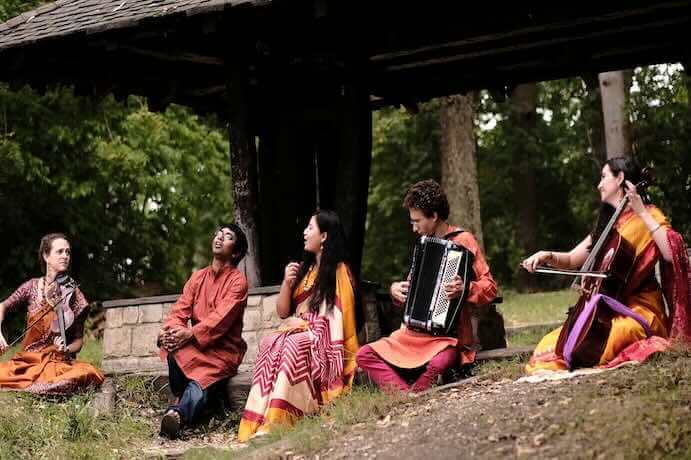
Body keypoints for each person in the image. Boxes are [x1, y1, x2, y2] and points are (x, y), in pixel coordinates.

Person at [522, 157, 691, 374]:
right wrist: (545, 255)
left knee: (612, 340)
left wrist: (641, 212)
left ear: (620, 178)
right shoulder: (608, 225)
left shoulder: (650, 215)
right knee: (551, 344)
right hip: (605, 308)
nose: (599, 184)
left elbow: (670, 251)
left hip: (640, 309)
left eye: (603, 177)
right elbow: (573, 259)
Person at [356, 179, 497, 393]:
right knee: (364, 354)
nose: (414, 228)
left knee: (441, 362)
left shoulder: (464, 241)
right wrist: (396, 290)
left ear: (434, 216)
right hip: (414, 334)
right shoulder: (422, 246)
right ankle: (407, 395)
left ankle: (411, 393)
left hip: (447, 336)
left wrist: (465, 289)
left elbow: (490, 287)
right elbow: (412, 292)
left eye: (417, 221)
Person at [237, 210, 359, 441]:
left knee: (293, 344)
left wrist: (306, 325)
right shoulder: (305, 271)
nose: (304, 232)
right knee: (269, 341)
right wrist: (286, 283)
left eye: (310, 228)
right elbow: (283, 312)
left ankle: (278, 421)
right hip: (300, 331)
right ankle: (260, 419)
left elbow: (338, 320)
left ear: (324, 236)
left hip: (323, 341)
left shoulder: (339, 270)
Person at [158, 224, 249, 439]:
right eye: (218, 233)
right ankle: (192, 404)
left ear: (235, 251)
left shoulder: (238, 282)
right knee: (173, 350)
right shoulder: (198, 277)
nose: (219, 237)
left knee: (202, 380)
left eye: (227, 236)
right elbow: (180, 310)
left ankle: (176, 414)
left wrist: (189, 334)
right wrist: (168, 333)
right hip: (196, 346)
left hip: (222, 353)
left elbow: (220, 320)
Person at [0, 233, 104, 395]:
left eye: (68, 252)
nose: (65, 256)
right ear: (46, 256)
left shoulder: (74, 293)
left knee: (83, 374)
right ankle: (37, 387)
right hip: (28, 361)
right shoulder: (32, 286)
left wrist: (67, 349)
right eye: (60, 251)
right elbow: (3, 306)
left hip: (56, 361)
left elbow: (78, 340)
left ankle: (34, 388)